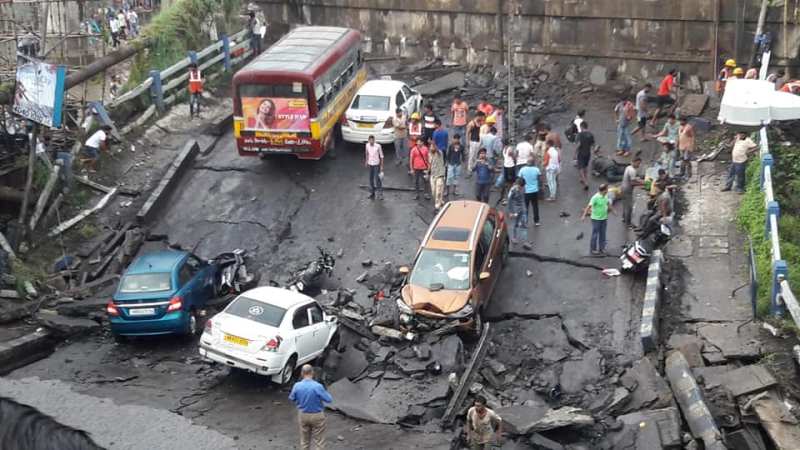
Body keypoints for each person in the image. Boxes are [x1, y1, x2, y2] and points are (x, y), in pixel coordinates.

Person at [289, 364, 332, 450]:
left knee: (304, 440)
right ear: (312, 372)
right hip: (317, 415)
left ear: (302, 373)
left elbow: (292, 398)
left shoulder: (297, 385)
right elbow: (329, 399)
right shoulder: (317, 386)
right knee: (319, 441)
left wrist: (299, 401)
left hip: (303, 414)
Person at [582, 184, 615, 255]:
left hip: (604, 218)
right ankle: (593, 249)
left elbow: (608, 204)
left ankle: (601, 248)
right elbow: (588, 207)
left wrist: (613, 211)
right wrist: (584, 215)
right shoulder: (595, 197)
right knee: (595, 234)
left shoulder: (605, 196)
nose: (607, 190)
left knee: (603, 234)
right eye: (606, 189)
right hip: (596, 219)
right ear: (604, 190)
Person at [518, 156, 542, 226]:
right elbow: (539, 179)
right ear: (533, 162)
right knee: (535, 206)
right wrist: (539, 187)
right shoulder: (536, 169)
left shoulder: (522, 169)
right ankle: (536, 221)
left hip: (526, 191)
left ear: (527, 162)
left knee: (525, 207)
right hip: (535, 191)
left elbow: (519, 180)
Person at [620, 158, 643, 227]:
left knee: (625, 204)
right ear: (634, 162)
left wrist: (638, 180)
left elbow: (632, 179)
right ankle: (628, 223)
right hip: (628, 190)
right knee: (629, 207)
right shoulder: (633, 171)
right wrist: (642, 184)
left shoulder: (628, 167)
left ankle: (623, 218)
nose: (639, 165)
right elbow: (632, 183)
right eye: (638, 163)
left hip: (623, 188)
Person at [575, 122, 596, 190]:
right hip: (588, 153)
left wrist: (575, 153)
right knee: (585, 167)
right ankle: (583, 179)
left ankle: (585, 182)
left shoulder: (580, 135)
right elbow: (593, 145)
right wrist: (595, 151)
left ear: (581, 127)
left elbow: (579, 144)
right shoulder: (591, 135)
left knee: (580, 168)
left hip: (581, 153)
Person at [506, 178, 527, 244]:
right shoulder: (513, 190)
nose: (521, 188)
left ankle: (522, 225)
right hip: (515, 209)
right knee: (514, 224)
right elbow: (509, 201)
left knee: (523, 221)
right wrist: (511, 212)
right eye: (520, 186)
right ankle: (513, 238)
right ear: (517, 184)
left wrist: (524, 207)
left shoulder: (523, 188)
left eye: (522, 186)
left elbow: (523, 198)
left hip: (522, 207)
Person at [365, 135, 384, 200]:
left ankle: (380, 194)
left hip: (376, 164)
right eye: (370, 140)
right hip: (370, 164)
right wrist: (366, 161)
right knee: (370, 179)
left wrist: (381, 166)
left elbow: (381, 156)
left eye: (372, 140)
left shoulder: (378, 146)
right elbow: (367, 153)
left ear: (374, 140)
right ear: (368, 140)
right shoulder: (367, 145)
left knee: (377, 179)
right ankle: (372, 193)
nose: (371, 141)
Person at [429, 142, 446, 210]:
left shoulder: (440, 153)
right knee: (433, 191)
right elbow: (430, 164)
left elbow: (437, 150)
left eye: (433, 147)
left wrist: (434, 144)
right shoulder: (429, 154)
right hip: (433, 175)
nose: (432, 148)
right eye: (431, 147)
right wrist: (428, 172)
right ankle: (440, 200)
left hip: (440, 175)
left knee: (438, 190)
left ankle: (437, 204)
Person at [499, 138, 516, 203]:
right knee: (507, 182)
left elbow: (513, 157)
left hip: (510, 166)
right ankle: (509, 195)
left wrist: (514, 162)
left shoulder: (509, 149)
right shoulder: (505, 149)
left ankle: (510, 195)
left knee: (510, 182)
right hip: (506, 166)